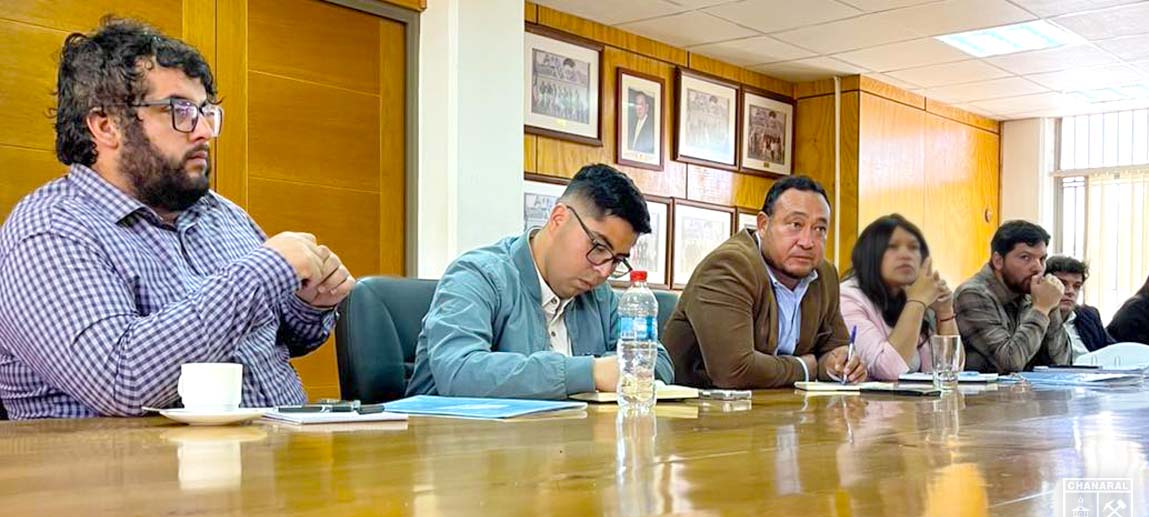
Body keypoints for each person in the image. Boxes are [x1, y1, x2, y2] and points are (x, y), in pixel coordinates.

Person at [0, 18, 354, 420]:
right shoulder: (49, 231)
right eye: (179, 110)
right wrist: (265, 271)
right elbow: (123, 382)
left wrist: (310, 303)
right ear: (106, 126)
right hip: (133, 461)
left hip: (278, 449)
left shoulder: (222, 215)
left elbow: (277, 338)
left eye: (205, 111)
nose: (204, 131)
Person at [408, 164, 674, 399]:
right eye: (598, 247)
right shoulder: (477, 276)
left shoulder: (600, 296)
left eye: (617, 260)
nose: (604, 271)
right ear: (559, 218)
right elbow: (459, 372)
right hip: (455, 437)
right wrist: (590, 372)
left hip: (564, 437)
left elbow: (659, 362)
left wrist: (615, 368)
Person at [662, 175, 864, 388]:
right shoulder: (728, 266)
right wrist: (804, 368)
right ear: (763, 225)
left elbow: (831, 351)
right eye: (796, 225)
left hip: (777, 404)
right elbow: (733, 371)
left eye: (820, 229)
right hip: (701, 404)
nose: (807, 242)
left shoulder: (824, 274)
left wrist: (838, 365)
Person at [840, 214, 960, 381]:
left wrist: (945, 312)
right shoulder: (848, 297)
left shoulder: (909, 294)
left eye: (913, 247)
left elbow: (949, 371)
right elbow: (887, 369)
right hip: (865, 398)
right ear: (870, 254)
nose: (905, 255)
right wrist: (917, 302)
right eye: (892, 247)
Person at [954, 220, 1071, 373]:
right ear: (998, 261)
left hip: (1026, 388)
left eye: (1042, 259)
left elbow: (1062, 363)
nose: (1037, 268)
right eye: (1025, 257)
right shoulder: (972, 295)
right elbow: (1010, 363)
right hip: (986, 389)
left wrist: (1051, 305)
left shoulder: (1029, 293)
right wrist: (1041, 309)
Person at [1044, 255, 1114, 358]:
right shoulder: (1034, 318)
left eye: (1076, 286)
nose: (1070, 291)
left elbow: (1112, 353)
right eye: (1062, 284)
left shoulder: (1089, 316)